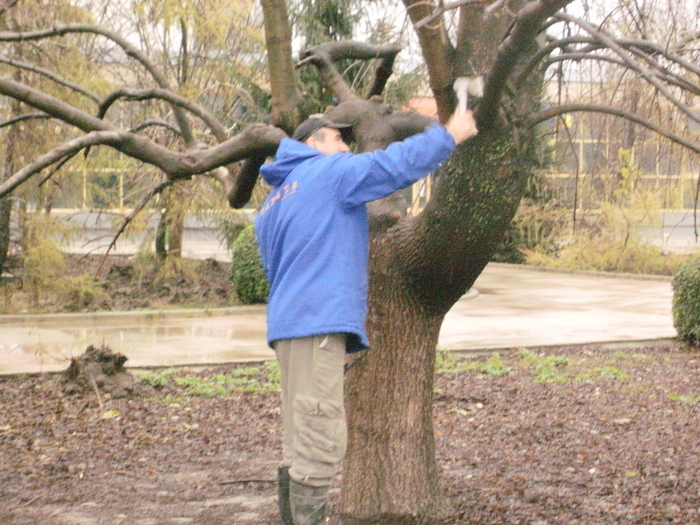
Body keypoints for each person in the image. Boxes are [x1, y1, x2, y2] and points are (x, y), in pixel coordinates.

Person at [254, 109, 478, 525]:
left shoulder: (273, 203)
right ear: (314, 143)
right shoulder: (327, 172)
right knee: (319, 440)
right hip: (317, 325)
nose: (345, 147)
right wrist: (450, 134)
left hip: (289, 330)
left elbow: (277, 269)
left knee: (299, 439)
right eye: (338, 140)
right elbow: (392, 166)